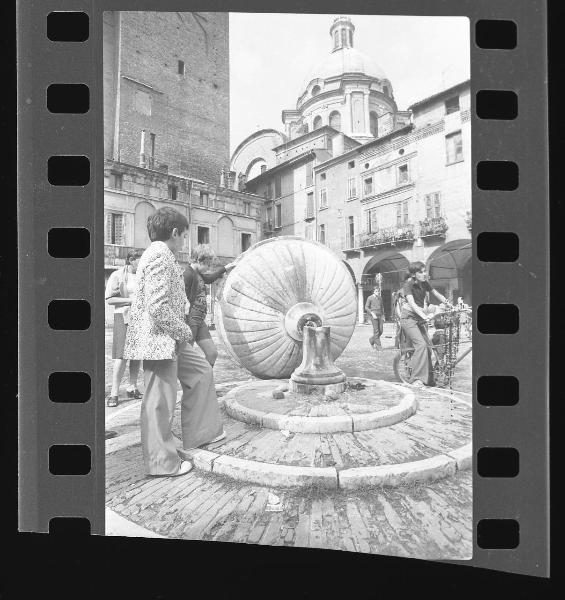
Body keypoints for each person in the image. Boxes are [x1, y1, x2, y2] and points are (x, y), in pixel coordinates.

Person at [123, 208, 225, 477]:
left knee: (202, 372)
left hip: (170, 336)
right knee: (159, 401)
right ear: (175, 232)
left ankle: (200, 434)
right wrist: (184, 331)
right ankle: (162, 464)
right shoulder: (158, 254)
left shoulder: (162, 254)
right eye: (185, 235)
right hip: (159, 338)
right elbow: (157, 306)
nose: (185, 241)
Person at [400, 261, 450, 387]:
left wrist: (450, 304)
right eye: (421, 272)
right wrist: (424, 316)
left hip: (419, 319)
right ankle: (417, 379)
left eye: (425, 271)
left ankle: (428, 378)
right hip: (409, 318)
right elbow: (412, 304)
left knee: (428, 348)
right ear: (414, 274)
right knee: (421, 345)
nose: (424, 274)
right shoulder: (408, 285)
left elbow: (436, 294)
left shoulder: (425, 283)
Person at [183, 244, 234, 366]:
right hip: (190, 320)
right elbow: (181, 298)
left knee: (212, 353)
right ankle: (190, 383)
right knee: (185, 357)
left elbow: (210, 278)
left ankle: (203, 380)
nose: (209, 268)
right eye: (207, 264)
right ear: (199, 260)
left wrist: (226, 268)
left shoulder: (198, 274)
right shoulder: (188, 274)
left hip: (200, 321)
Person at [105, 250, 143, 407]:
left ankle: (132, 386)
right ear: (132, 260)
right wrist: (130, 301)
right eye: (140, 261)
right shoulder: (117, 275)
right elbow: (110, 299)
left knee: (136, 354)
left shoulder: (143, 276)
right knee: (121, 356)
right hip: (123, 316)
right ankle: (114, 392)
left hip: (140, 318)